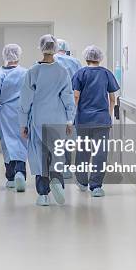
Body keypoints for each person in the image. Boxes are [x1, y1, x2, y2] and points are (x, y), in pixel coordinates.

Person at [19, 35, 75, 206]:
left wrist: (23, 124)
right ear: (56, 48)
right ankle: (57, 181)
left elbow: (25, 101)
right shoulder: (62, 71)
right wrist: (69, 121)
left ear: (41, 48)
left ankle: (43, 194)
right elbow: (68, 98)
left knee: (40, 155)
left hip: (38, 119)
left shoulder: (33, 72)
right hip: (57, 119)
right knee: (56, 153)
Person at [71, 45, 120, 197]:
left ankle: (82, 181)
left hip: (83, 120)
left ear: (86, 58)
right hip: (102, 120)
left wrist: (72, 116)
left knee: (83, 152)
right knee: (100, 153)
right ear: (100, 58)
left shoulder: (80, 73)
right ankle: (96, 186)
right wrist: (108, 115)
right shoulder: (106, 74)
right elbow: (112, 98)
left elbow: (76, 96)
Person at [0, 44, 29, 192]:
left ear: (5, 56)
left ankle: (10, 177)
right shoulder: (26, 73)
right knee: (22, 143)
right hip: (23, 112)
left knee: (8, 144)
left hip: (5, 113)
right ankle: (20, 172)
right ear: (19, 55)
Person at [54, 39, 83, 179]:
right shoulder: (75, 62)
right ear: (67, 49)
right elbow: (80, 84)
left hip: (51, 104)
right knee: (68, 136)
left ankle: (54, 166)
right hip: (70, 104)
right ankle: (66, 167)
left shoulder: (47, 62)